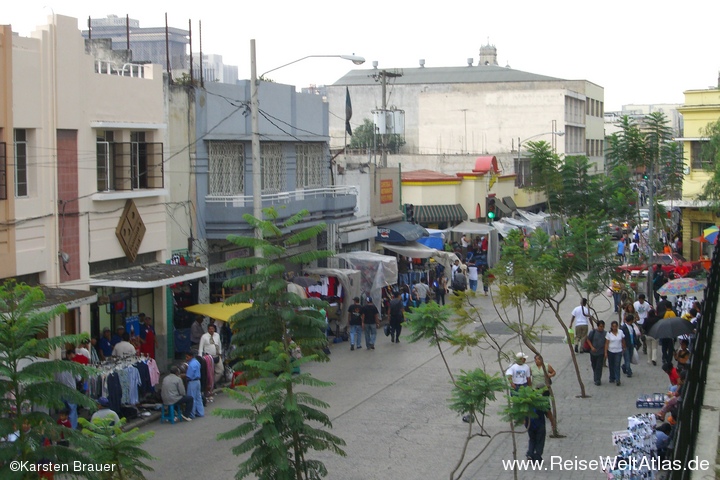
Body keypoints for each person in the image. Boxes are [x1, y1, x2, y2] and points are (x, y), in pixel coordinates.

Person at [529, 354, 555, 427]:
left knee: (546, 405)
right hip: (535, 388)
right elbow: (528, 376)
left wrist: (550, 375)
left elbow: (553, 372)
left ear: (541, 360)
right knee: (535, 404)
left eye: (538, 359)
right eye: (535, 359)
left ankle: (552, 421)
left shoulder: (546, 366)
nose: (536, 361)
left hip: (544, 389)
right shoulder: (532, 367)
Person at [198, 323, 224, 392]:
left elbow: (219, 344)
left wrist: (220, 353)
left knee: (220, 371)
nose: (211, 330)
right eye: (209, 329)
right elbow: (201, 348)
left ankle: (213, 382)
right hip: (208, 357)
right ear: (208, 329)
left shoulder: (217, 335)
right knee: (209, 372)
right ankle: (209, 385)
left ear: (214, 329)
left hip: (217, 355)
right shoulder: (204, 337)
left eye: (212, 329)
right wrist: (200, 357)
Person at [605, 320, 626, 386]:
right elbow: (606, 343)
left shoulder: (620, 332)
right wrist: (605, 352)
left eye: (615, 326)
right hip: (611, 351)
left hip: (618, 351)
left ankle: (617, 379)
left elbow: (623, 341)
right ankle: (612, 377)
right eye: (613, 326)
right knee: (611, 365)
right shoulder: (609, 334)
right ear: (611, 327)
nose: (614, 328)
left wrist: (624, 348)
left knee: (617, 365)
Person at [184, 352, 204, 419]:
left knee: (192, 398)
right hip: (198, 381)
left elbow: (188, 376)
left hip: (192, 382)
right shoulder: (197, 362)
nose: (186, 358)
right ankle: (200, 412)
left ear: (191, 356)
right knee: (198, 397)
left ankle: (192, 414)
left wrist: (183, 375)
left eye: (187, 357)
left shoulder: (191, 364)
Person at [587, 320, 607, 385]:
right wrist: (592, 347)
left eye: (603, 327)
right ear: (598, 326)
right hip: (593, 353)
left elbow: (606, 343)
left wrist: (605, 352)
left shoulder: (605, 333)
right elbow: (588, 340)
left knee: (599, 366)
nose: (602, 328)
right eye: (600, 326)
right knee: (594, 365)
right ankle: (596, 376)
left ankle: (597, 379)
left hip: (601, 353)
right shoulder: (593, 332)